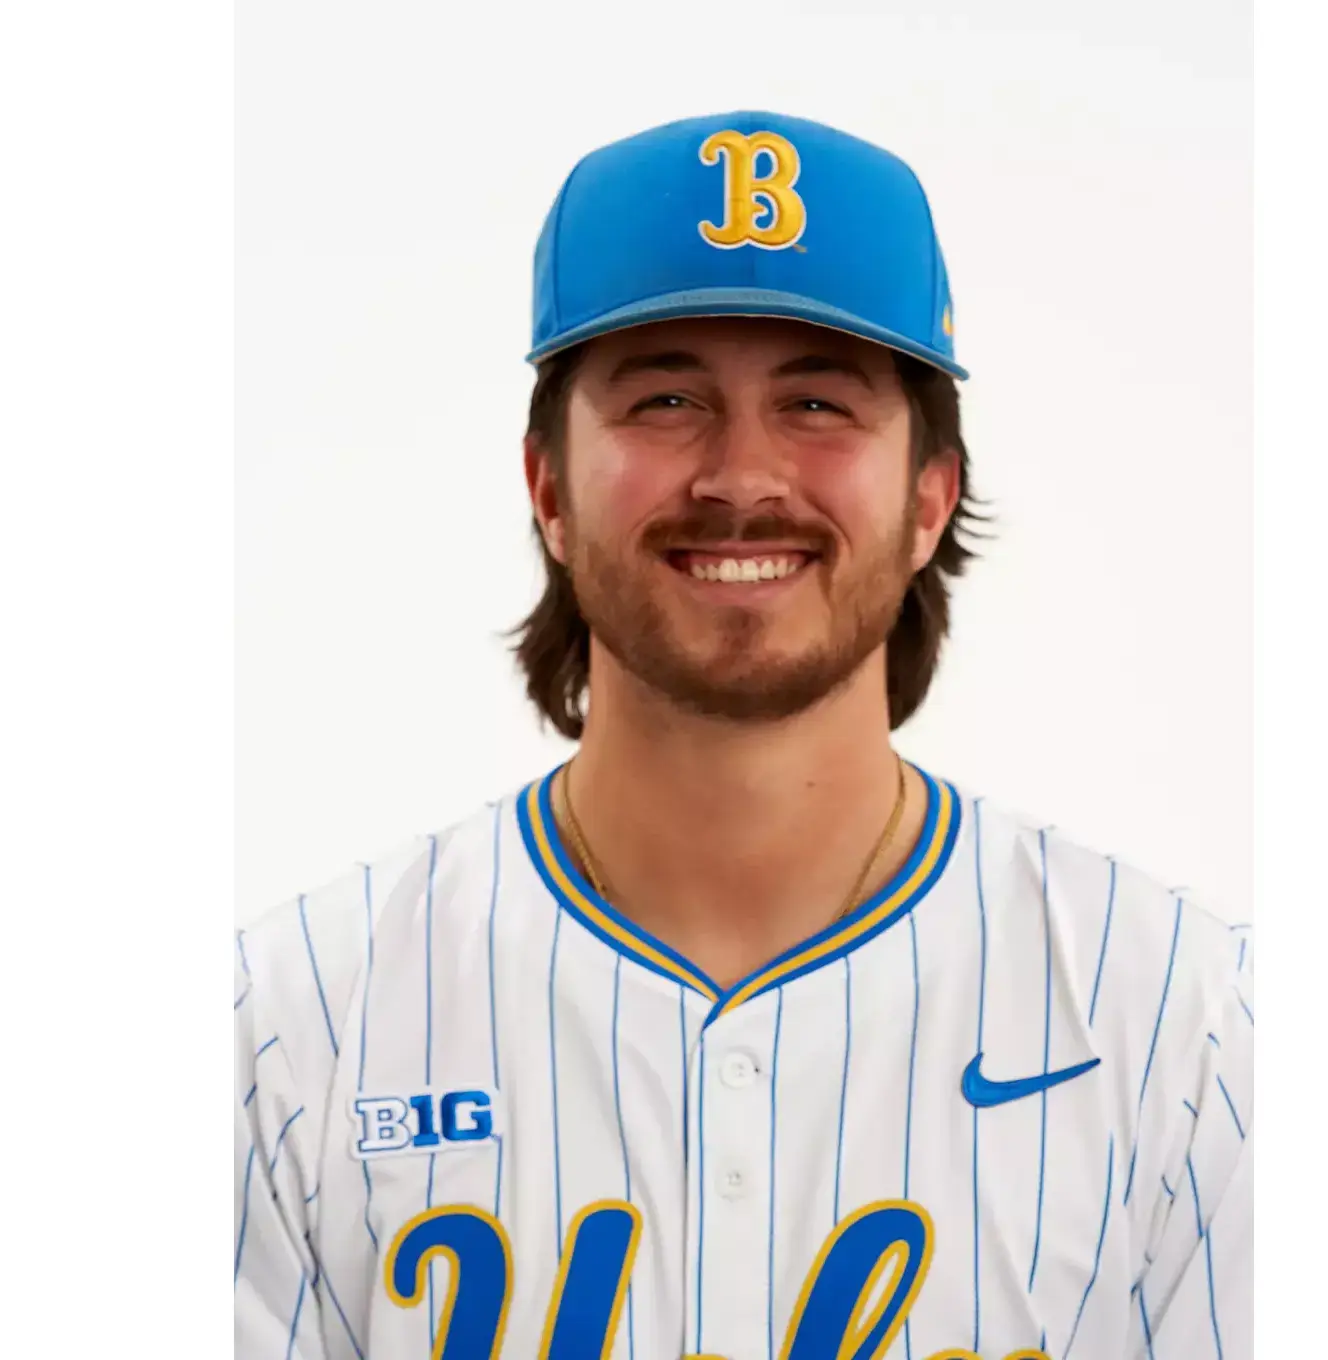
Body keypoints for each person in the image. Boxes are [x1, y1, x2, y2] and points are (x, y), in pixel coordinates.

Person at [235, 110, 1252, 1360]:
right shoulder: (292, 1028)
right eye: (665, 399)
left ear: (929, 495)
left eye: (817, 402)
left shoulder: (1181, 1027)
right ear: (548, 488)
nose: (741, 475)